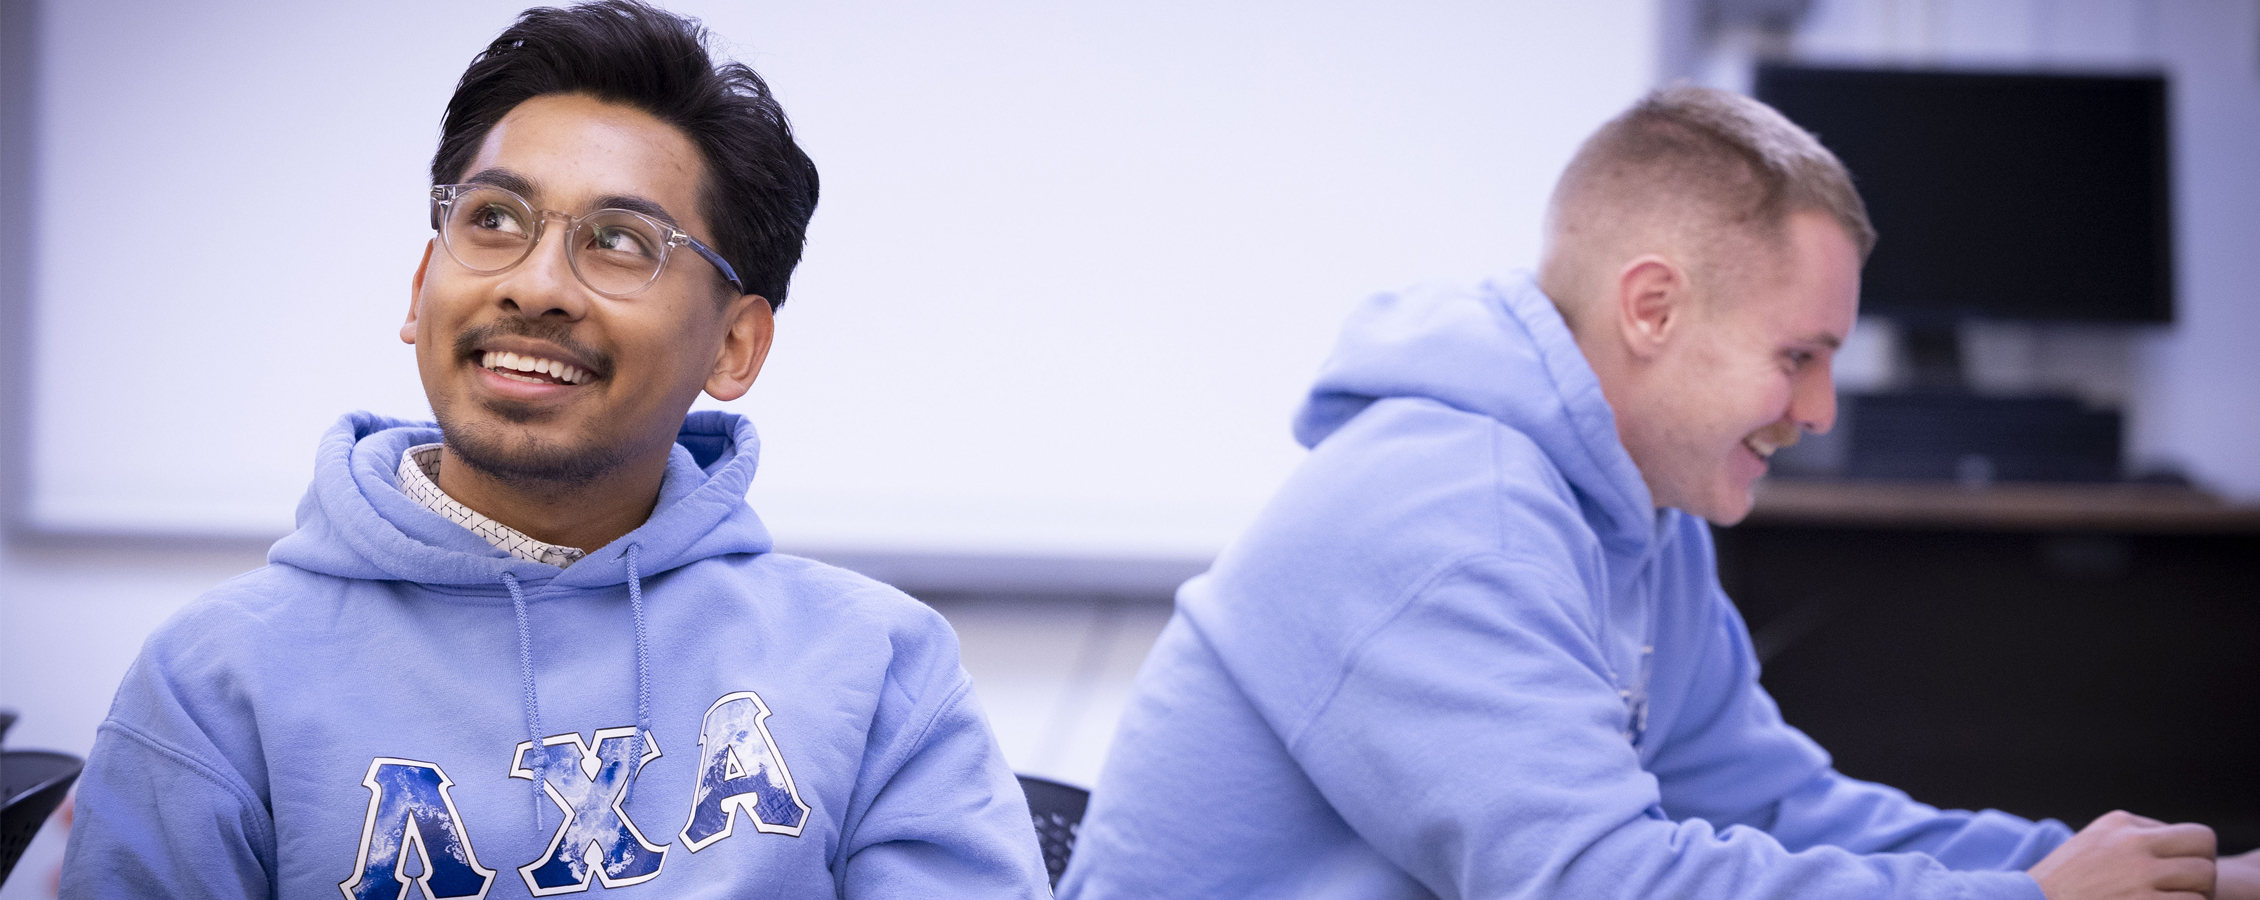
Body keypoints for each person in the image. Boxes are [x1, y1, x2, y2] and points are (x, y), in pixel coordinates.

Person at [1059, 86, 2257, 899]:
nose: (1820, 410)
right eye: (1797, 355)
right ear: (1651, 308)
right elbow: (1598, 882)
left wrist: (2164, 875)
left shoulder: (1641, 514)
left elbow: (1775, 809)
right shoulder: (1449, 513)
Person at [59, 3, 1048, 897]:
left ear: (734, 346)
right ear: (421, 287)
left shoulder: (874, 665)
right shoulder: (214, 681)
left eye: (620, 241)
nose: (535, 286)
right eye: (493, 220)